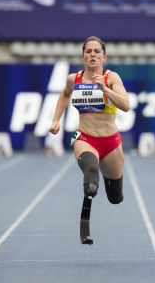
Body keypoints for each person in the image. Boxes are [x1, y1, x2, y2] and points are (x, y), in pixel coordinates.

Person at [49, 36, 130, 244]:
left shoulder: (112, 78)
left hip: (111, 143)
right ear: (83, 56)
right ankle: (85, 223)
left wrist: (105, 89)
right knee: (91, 176)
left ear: (104, 56)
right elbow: (65, 95)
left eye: (96, 51)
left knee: (114, 198)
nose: (92, 54)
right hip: (85, 138)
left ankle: (110, 191)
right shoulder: (73, 79)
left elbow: (126, 105)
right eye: (88, 51)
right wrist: (56, 119)